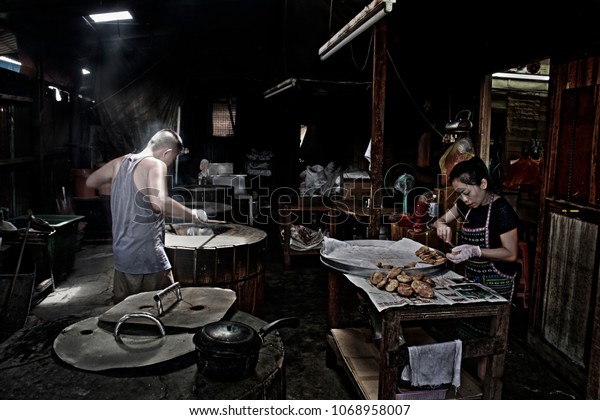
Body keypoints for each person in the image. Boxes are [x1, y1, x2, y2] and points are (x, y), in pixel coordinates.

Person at [86, 128, 206, 303]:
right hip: (148, 260)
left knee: (125, 315)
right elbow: (160, 203)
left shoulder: (119, 163)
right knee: (163, 311)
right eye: (172, 160)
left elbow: (91, 181)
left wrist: (121, 189)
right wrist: (193, 214)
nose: (170, 164)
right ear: (167, 152)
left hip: (122, 260)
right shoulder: (155, 164)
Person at [433, 156, 519, 303]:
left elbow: (511, 254)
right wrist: (441, 225)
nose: (464, 199)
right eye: (459, 194)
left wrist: (476, 251)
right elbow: (438, 221)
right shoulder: (464, 206)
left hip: (498, 283)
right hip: (472, 281)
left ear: (483, 183)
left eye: (466, 193)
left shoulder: (502, 210)